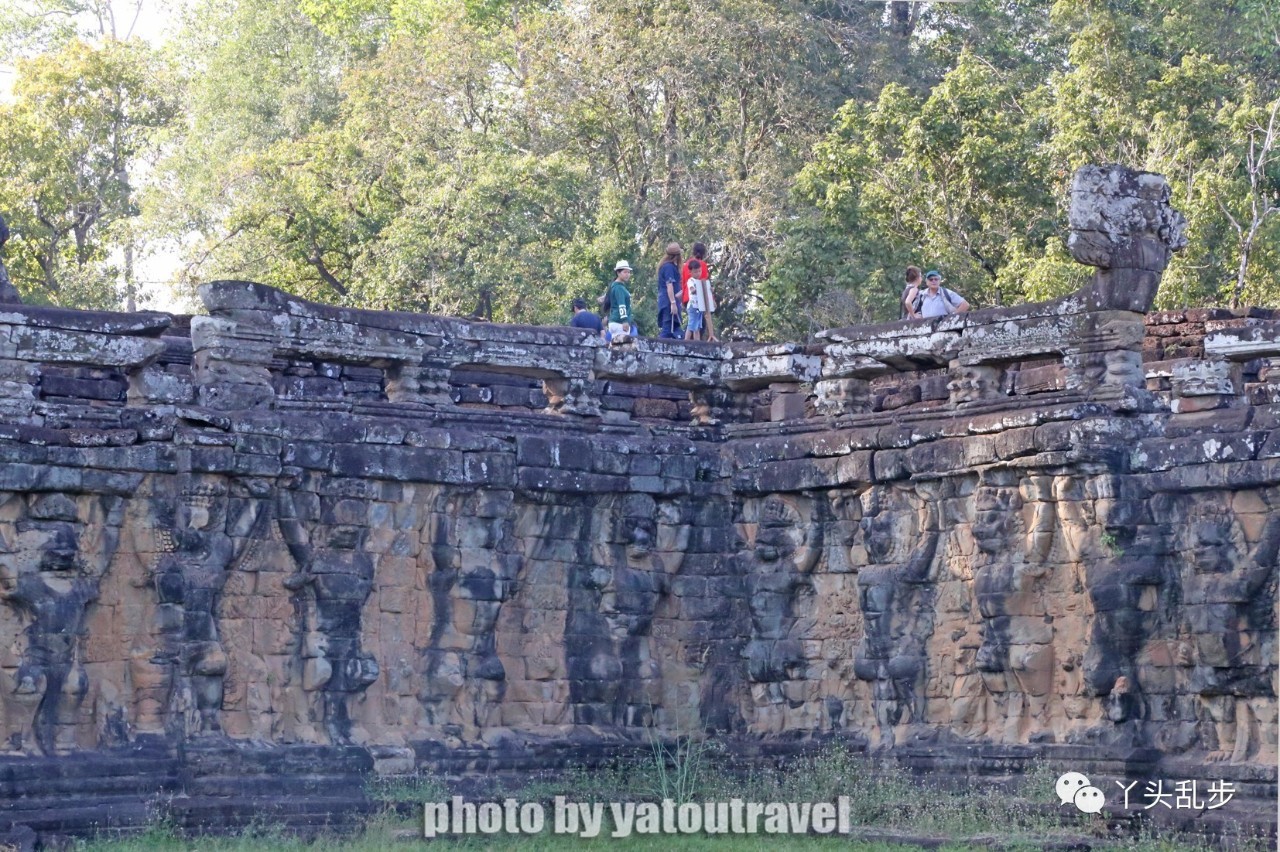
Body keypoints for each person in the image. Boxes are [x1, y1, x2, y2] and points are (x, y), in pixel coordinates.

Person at [682, 243, 717, 342]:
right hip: (698, 298)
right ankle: (689, 341)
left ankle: (693, 341)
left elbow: (683, 282)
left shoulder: (686, 265)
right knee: (697, 323)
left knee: (694, 322)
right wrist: (712, 299)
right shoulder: (702, 265)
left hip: (686, 297)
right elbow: (705, 284)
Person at [656, 242, 683, 339]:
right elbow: (669, 285)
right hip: (668, 302)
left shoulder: (671, 267)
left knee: (675, 328)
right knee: (667, 328)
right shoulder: (668, 267)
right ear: (677, 256)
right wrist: (673, 303)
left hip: (670, 301)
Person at [605, 260, 634, 339]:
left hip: (615, 321)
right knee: (622, 347)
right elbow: (621, 305)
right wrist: (625, 320)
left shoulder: (616, 287)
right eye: (625, 272)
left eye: (628, 272)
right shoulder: (619, 288)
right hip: (619, 322)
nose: (627, 274)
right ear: (618, 273)